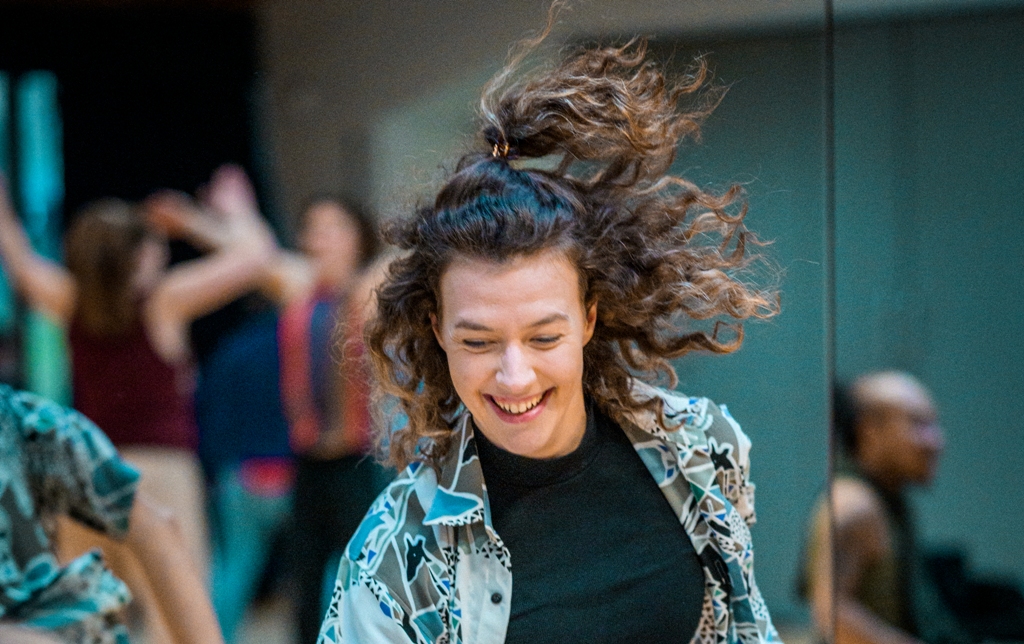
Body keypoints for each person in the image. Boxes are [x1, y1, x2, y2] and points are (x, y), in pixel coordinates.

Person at [317, 32, 781, 644]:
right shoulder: (396, 557)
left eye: (543, 337)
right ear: (437, 331)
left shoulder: (701, 450)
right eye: (479, 342)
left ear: (588, 318)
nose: (515, 376)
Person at [0, 166, 275, 642]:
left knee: (91, 625)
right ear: (137, 257)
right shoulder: (164, 302)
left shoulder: (69, 299)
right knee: (177, 622)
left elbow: (21, 264)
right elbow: (256, 256)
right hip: (160, 474)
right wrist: (227, 212)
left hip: (84, 474)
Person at [0, 384, 224, 643]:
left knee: (105, 607)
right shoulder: (23, 419)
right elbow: (159, 528)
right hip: (148, 465)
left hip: (105, 463)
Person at [803, 372, 946, 644]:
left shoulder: (883, 499)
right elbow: (831, 613)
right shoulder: (854, 505)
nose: (935, 441)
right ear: (870, 430)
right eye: (918, 424)